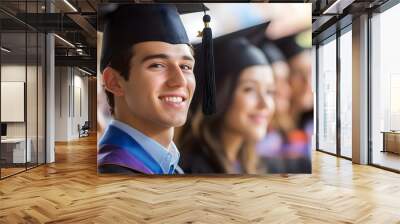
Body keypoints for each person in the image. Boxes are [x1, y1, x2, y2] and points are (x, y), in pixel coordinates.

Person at [97, 4, 213, 174]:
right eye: (157, 65)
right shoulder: (113, 174)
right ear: (114, 81)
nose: (180, 80)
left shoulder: (173, 168)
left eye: (186, 66)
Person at [178, 31, 275, 174]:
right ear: (217, 95)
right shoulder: (194, 170)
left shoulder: (246, 163)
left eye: (269, 91)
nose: (265, 104)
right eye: (249, 89)